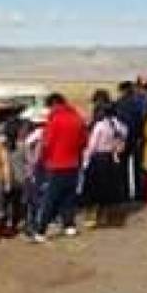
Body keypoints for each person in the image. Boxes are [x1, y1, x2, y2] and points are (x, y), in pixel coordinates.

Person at [36, 93, 88, 240]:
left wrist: (43, 161)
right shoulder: (77, 118)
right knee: (68, 196)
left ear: (53, 104)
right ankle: (69, 226)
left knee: (50, 198)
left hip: (56, 164)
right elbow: (84, 142)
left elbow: (46, 144)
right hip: (74, 163)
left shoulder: (54, 120)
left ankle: (41, 231)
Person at [81, 98, 130, 228]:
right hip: (112, 158)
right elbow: (122, 145)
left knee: (93, 190)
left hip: (98, 158)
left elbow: (92, 145)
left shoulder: (100, 126)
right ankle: (106, 217)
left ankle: (91, 218)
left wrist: (86, 161)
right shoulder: (121, 126)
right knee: (108, 190)